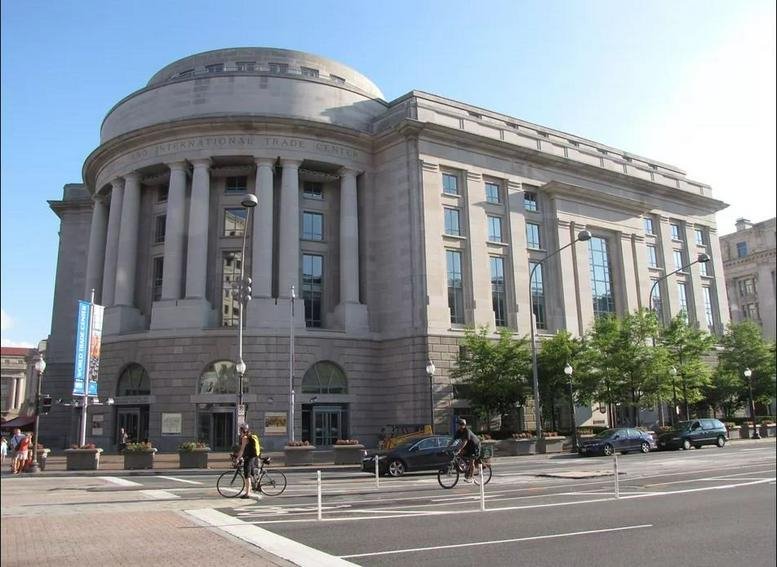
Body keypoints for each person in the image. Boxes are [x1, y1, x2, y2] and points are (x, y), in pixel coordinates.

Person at [235, 423, 262, 499]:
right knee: (252, 473)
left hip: (249, 458)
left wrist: (237, 459)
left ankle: (247, 494)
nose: (240, 432)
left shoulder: (245, 438)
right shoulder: (250, 436)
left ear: (243, 430)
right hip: (252, 457)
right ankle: (257, 486)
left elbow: (242, 450)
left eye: (240, 431)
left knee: (247, 476)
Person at [449, 418, 481, 482]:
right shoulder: (458, 432)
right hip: (468, 446)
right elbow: (453, 440)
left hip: (475, 446)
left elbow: (465, 442)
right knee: (460, 454)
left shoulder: (467, 431)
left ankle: (471, 477)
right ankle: (467, 466)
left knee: (472, 461)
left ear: (464, 425)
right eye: (459, 424)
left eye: (462, 424)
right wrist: (447, 446)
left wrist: (459, 449)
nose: (460, 426)